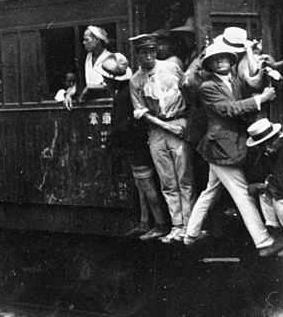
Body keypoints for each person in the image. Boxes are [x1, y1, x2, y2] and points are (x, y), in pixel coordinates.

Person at [182, 40, 283, 256]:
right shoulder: (207, 87)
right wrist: (260, 100)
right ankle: (263, 242)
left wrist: (264, 72)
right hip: (220, 147)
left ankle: (190, 235)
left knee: (210, 192)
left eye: (224, 58)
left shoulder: (234, 80)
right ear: (209, 65)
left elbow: (251, 84)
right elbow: (229, 109)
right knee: (241, 193)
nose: (221, 61)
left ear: (231, 61)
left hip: (228, 145)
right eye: (215, 59)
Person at [128, 34, 192, 243]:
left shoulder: (171, 67)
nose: (148, 56)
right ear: (136, 55)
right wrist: (166, 127)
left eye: (151, 51)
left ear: (156, 51)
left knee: (185, 179)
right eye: (143, 53)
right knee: (168, 181)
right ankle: (176, 225)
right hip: (158, 130)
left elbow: (189, 89)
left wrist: (184, 123)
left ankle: (190, 225)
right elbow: (141, 112)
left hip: (179, 123)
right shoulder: (135, 80)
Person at [100, 53, 168, 239]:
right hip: (137, 143)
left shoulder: (123, 97)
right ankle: (145, 222)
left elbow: (122, 127)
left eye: (106, 78)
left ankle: (160, 224)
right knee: (141, 184)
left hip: (135, 144)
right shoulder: (126, 91)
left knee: (146, 184)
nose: (104, 81)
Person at [244, 116, 283, 255]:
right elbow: (263, 175)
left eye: (270, 142)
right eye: (262, 145)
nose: (267, 148)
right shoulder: (266, 155)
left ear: (277, 137)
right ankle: (281, 236)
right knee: (265, 195)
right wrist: (266, 185)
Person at [65, 26, 112, 109]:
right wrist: (69, 94)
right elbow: (80, 83)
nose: (84, 42)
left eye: (87, 40)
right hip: (88, 105)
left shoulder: (110, 58)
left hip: (105, 104)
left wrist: (89, 88)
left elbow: (110, 85)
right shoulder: (87, 58)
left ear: (97, 40)